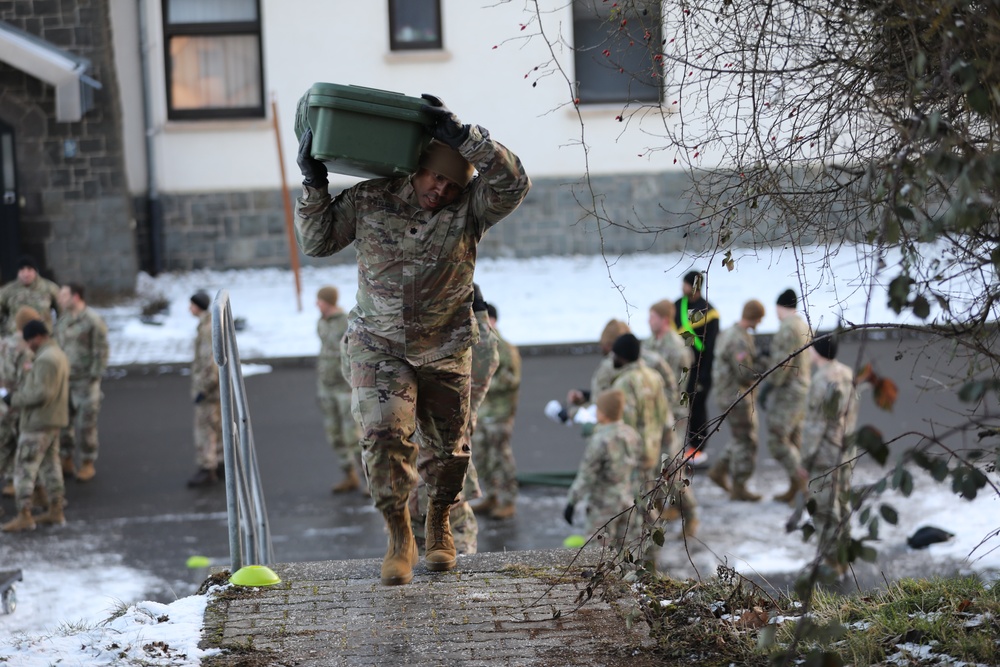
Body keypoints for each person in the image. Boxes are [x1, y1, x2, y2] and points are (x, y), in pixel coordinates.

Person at [294, 94, 530, 586]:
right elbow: (317, 242)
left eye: (449, 183)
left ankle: (438, 520)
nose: (439, 190)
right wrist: (315, 184)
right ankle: (399, 533)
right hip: (378, 344)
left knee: (450, 454)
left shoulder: (470, 209)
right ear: (417, 168)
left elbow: (514, 183)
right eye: (434, 177)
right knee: (384, 438)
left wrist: (466, 139)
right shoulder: (371, 198)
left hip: (445, 347)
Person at [798, 333, 859, 576]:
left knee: (824, 509)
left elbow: (816, 426)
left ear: (817, 351)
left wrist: (805, 460)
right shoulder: (846, 373)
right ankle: (844, 555)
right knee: (842, 504)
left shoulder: (821, 380)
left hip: (824, 455)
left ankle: (832, 562)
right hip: (845, 449)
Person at [1, 320, 69, 532]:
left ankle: (24, 515)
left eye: (30, 340)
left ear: (38, 337)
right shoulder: (57, 354)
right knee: (50, 465)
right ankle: (56, 510)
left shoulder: (46, 359)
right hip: (52, 420)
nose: (28, 345)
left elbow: (40, 393)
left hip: (38, 422)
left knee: (24, 468)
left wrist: (12, 398)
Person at [564, 389, 643, 546]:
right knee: (627, 549)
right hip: (626, 499)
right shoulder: (631, 434)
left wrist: (572, 501)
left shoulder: (600, 440)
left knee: (597, 553)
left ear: (603, 414)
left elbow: (587, 475)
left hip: (603, 504)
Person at [707, 299, 765, 501]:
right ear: (755, 318)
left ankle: (719, 470)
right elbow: (744, 373)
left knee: (739, 437)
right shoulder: (739, 339)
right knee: (747, 440)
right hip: (736, 396)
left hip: (725, 394)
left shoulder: (728, 333)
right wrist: (763, 367)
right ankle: (739, 485)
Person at [758, 289, 812, 504]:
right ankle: (795, 488)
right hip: (802, 389)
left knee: (778, 439)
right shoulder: (802, 325)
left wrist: (768, 386)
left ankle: (802, 486)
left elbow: (782, 364)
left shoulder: (787, 328)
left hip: (789, 391)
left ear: (780, 307)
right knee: (794, 440)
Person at [470, 302, 522, 519]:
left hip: (499, 413)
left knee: (501, 456)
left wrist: (483, 382)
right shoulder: (477, 345)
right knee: (483, 456)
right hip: (483, 412)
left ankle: (508, 500)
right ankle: (491, 494)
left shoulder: (504, 347)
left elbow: (512, 379)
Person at [54, 283, 109, 482]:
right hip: (64, 380)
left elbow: (101, 350)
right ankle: (66, 458)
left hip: (85, 381)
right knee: (63, 423)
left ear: (76, 297)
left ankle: (87, 462)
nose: (60, 298)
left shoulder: (92, 320)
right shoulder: (63, 318)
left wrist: (94, 376)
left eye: (64, 295)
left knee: (86, 425)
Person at [315, 285, 363, 494]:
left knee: (353, 436)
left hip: (345, 388)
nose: (316, 303)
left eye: (320, 300)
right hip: (327, 387)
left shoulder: (346, 322)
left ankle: (369, 480)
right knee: (334, 435)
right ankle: (349, 475)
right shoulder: (321, 322)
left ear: (329, 301)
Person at [674, 271, 720, 467]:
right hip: (681, 369)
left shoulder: (709, 311)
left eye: (685, 284)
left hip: (702, 367)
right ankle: (678, 447)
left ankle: (698, 448)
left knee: (697, 409)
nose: (682, 288)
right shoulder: (677, 306)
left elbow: (710, 347)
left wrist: (703, 374)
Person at [0, 306, 43, 496]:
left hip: (2, 399)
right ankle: (17, 483)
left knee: (4, 444)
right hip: (17, 402)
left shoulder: (4, 343)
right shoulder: (27, 348)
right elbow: (27, 379)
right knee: (20, 445)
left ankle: (8, 480)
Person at [186, 292, 223, 488]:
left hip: (208, 388)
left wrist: (204, 388)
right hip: (214, 387)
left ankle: (207, 467)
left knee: (205, 428)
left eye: (191, 305)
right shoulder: (207, 324)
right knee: (217, 425)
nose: (189, 309)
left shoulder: (207, 329)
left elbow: (210, 361)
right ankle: (220, 462)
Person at [646, 299, 693, 419]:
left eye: (653, 317)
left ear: (665, 320)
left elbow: (677, 383)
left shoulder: (677, 347)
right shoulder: (649, 343)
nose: (649, 321)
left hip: (674, 410)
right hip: (653, 408)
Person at [0, 255, 61, 334]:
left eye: (29, 270)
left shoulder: (49, 288)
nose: (26, 274)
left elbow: (62, 310)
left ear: (35, 271)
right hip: (16, 336)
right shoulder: (8, 291)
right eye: (22, 270)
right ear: (18, 272)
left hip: (42, 335)